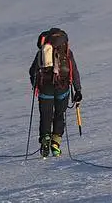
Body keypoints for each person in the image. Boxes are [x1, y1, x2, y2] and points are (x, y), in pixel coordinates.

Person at [28, 27, 82, 157]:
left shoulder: (41, 52)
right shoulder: (67, 52)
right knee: (59, 114)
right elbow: (74, 71)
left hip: (45, 88)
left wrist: (36, 85)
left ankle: (45, 139)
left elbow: (32, 71)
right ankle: (55, 143)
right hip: (62, 88)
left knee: (45, 116)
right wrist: (78, 90)